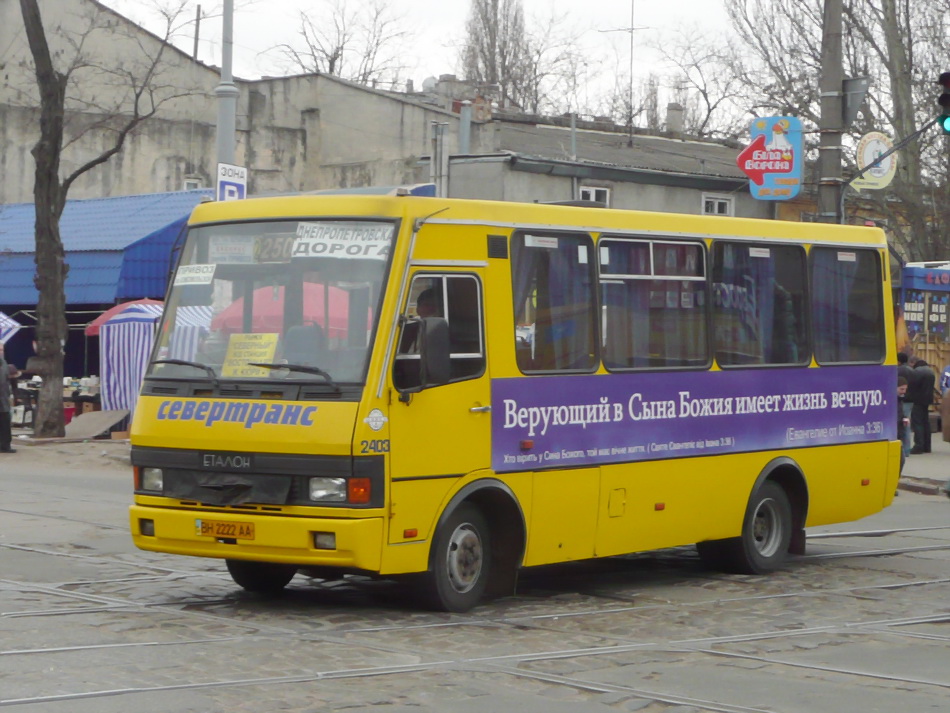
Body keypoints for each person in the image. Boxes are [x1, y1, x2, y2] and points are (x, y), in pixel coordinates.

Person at [908, 357, 936, 454]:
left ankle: (918, 446)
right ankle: (927, 446)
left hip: (917, 401)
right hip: (927, 400)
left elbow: (911, 386)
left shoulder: (917, 372)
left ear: (914, 363)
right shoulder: (930, 371)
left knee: (917, 423)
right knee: (926, 423)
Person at [0, 342, 20, 453]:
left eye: (2, 350)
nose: (1, 352)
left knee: (5, 423)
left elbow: (11, 379)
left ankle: (5, 446)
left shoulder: (4, 363)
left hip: (3, 398)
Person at [897, 352, 915, 458]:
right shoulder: (912, 370)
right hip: (911, 399)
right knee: (907, 423)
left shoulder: (898, 370)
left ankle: (904, 449)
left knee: (902, 424)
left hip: (903, 399)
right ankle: (907, 449)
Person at [897, 376, 909, 473]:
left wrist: (904, 418)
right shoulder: (892, 400)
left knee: (901, 460)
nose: (904, 392)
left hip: (898, 435)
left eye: (905, 389)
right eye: (902, 389)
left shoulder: (899, 400)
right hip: (895, 435)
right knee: (901, 460)